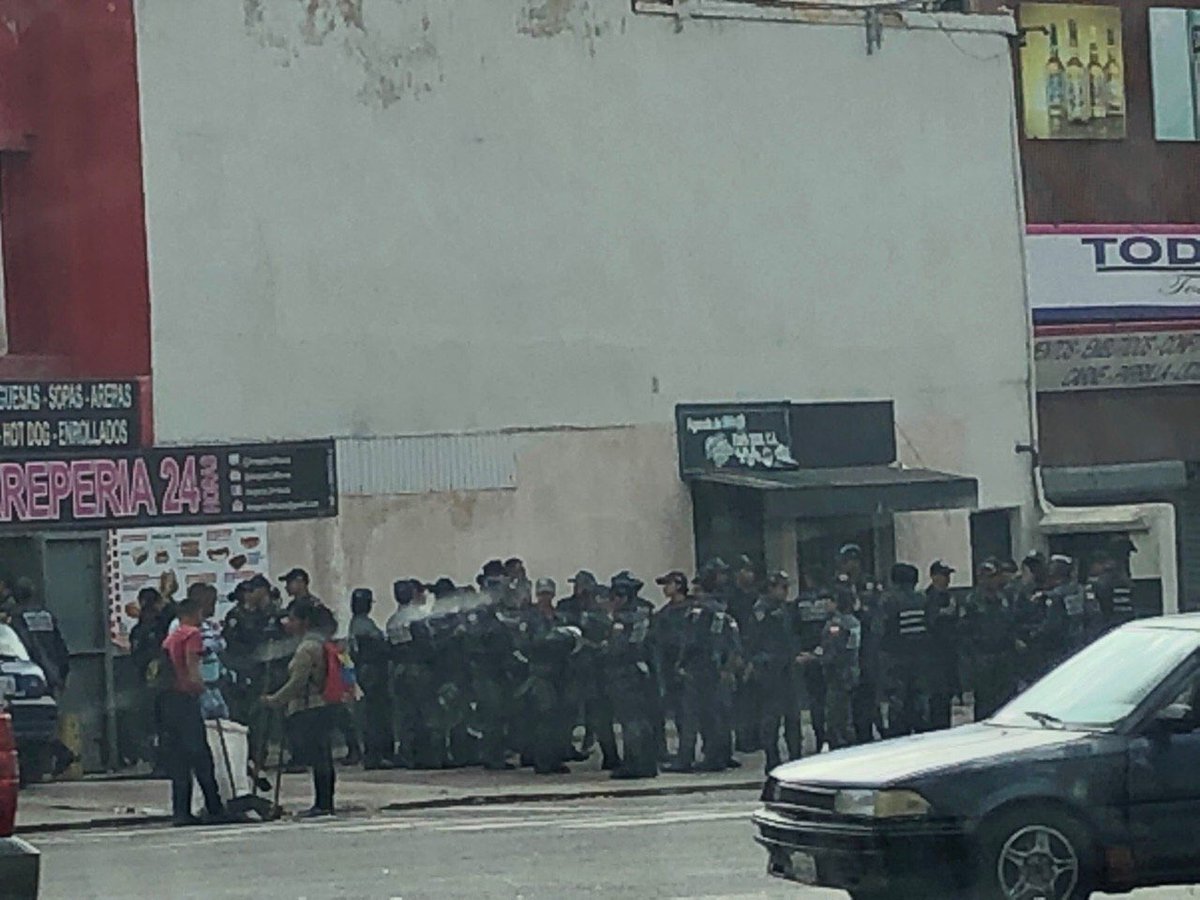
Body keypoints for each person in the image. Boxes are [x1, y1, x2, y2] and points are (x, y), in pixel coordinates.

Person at [263, 599, 336, 818]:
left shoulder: (307, 648)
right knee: (323, 757)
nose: (288, 623)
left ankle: (322, 804)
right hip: (323, 705)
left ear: (304, 622)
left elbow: (297, 682)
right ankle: (325, 802)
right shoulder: (320, 642)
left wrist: (274, 700)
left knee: (319, 758)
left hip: (309, 707)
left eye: (292, 619)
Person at [159, 590, 227, 826]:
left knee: (179, 760)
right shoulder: (192, 635)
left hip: (168, 702)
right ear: (193, 613)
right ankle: (215, 807)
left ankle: (181, 810)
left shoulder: (172, 637)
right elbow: (192, 668)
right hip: (186, 700)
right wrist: (203, 690)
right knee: (201, 757)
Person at [558, 571, 620, 769]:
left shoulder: (599, 611)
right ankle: (565, 749)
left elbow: (604, 634)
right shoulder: (566, 606)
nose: (578, 589)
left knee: (600, 715)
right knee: (567, 712)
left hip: (596, 669)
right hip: (572, 668)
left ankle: (610, 755)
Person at [519, 578, 579, 775]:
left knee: (558, 718)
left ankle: (555, 758)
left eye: (548, 593)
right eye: (542, 593)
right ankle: (543, 761)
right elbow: (527, 644)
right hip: (541, 672)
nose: (545, 597)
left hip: (561, 672)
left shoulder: (559, 617)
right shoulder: (531, 618)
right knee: (544, 717)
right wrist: (550, 640)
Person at [604, 572, 658, 780]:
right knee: (643, 720)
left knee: (630, 720)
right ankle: (648, 763)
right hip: (644, 671)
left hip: (625, 672)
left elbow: (617, 649)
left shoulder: (622, 619)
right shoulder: (646, 611)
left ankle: (633, 763)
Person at [745, 572, 801, 774]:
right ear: (771, 588)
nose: (786, 592)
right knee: (771, 718)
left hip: (787, 668)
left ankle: (796, 756)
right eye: (782, 588)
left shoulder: (786, 609)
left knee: (793, 717)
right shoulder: (762, 610)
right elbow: (754, 640)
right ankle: (772, 758)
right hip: (770, 671)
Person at [961, 560, 1021, 720]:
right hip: (983, 656)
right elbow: (965, 633)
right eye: (990, 577)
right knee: (985, 701)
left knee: (1007, 698)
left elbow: (1011, 623)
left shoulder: (1004, 598)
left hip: (1004, 655)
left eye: (996, 576)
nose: (994, 580)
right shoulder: (972, 601)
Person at [879, 563, 931, 738]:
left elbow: (879, 631)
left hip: (896, 663)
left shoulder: (888, 601)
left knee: (898, 711)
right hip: (921, 661)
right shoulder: (922, 599)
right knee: (920, 706)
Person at [347, 588, 395, 770]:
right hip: (372, 671)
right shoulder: (365, 626)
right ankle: (375, 755)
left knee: (370, 713)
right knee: (376, 714)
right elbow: (380, 649)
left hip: (363, 670)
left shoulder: (355, 624)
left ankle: (373, 754)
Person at [129, 586, 176, 770]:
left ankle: (164, 761)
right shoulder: (140, 630)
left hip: (165, 682)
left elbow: (176, 613)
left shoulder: (163, 624)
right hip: (149, 682)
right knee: (152, 724)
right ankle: (156, 761)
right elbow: (137, 657)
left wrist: (165, 598)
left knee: (165, 724)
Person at [651, 571, 691, 764]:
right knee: (675, 712)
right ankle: (679, 753)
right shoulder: (663, 614)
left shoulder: (692, 611)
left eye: (668, 584)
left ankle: (688, 754)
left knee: (689, 713)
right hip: (668, 670)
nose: (665, 589)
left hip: (691, 669)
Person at [815, 586, 860, 751]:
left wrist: (815, 658)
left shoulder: (836, 624)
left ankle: (840, 745)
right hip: (852, 671)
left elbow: (832, 651)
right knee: (847, 713)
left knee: (836, 715)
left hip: (838, 674)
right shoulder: (854, 621)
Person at [729, 556, 761, 754]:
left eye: (750, 570)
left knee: (757, 698)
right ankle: (744, 738)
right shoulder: (732, 598)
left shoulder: (756, 597)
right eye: (744, 570)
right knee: (742, 700)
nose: (748, 574)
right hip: (740, 651)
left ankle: (756, 736)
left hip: (756, 651)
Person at [924, 560, 959, 732]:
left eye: (948, 576)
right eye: (943, 575)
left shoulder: (949, 597)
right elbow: (930, 622)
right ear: (933, 576)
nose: (946, 580)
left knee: (946, 697)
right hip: (933, 656)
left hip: (949, 654)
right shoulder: (928, 598)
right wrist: (944, 614)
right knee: (936, 698)